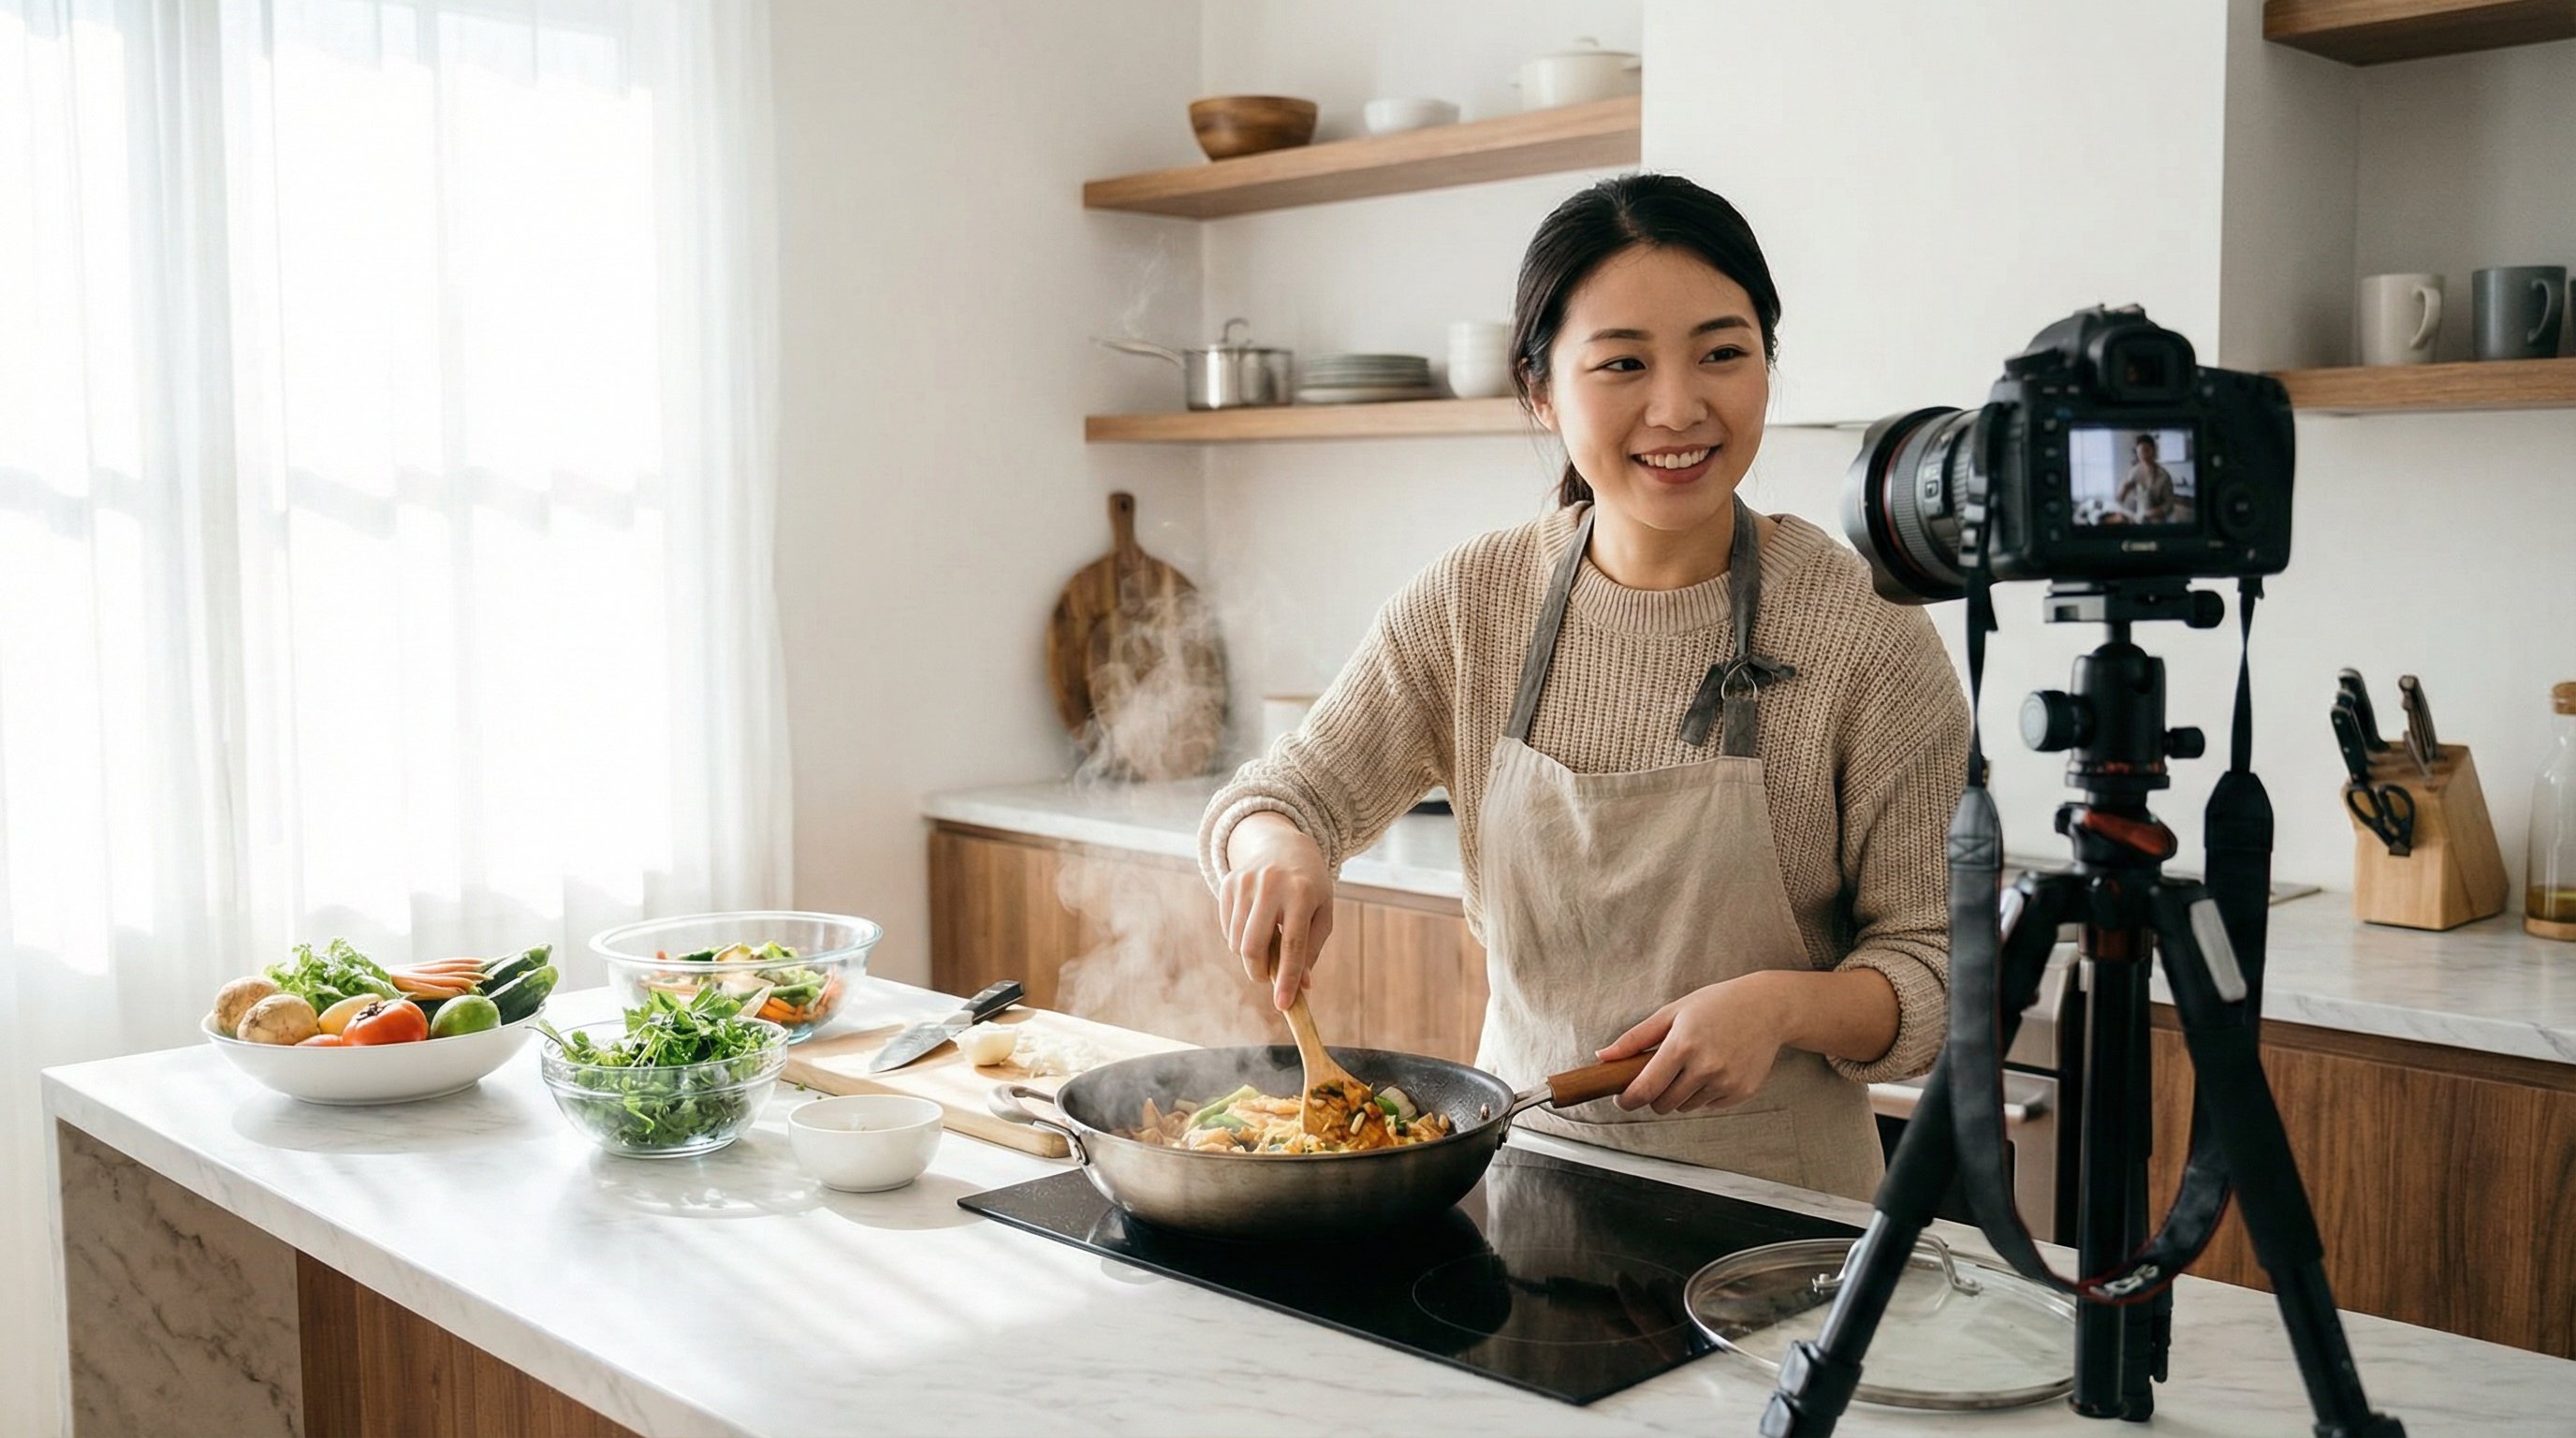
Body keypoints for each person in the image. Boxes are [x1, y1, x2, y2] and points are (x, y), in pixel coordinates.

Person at [1195, 174, 1968, 1199]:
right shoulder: (1474, 601)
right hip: (1520, 1180)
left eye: (1721, 354)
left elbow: (1938, 968)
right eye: (1622, 365)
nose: (1678, 406)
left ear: (1767, 368)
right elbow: (1279, 797)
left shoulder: (1864, 626)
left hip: (1778, 1220)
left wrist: (1782, 1007)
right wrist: (1278, 850)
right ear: (1540, 390)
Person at [2117, 433, 2179, 522]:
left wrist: (2153, 513)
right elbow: (2122, 500)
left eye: (2146, 450)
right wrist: (2124, 489)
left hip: (2158, 521)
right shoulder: (2134, 472)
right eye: (2140, 453)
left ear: (2154, 450)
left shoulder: (2164, 476)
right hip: (2139, 520)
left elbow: (2169, 504)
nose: (2144, 456)